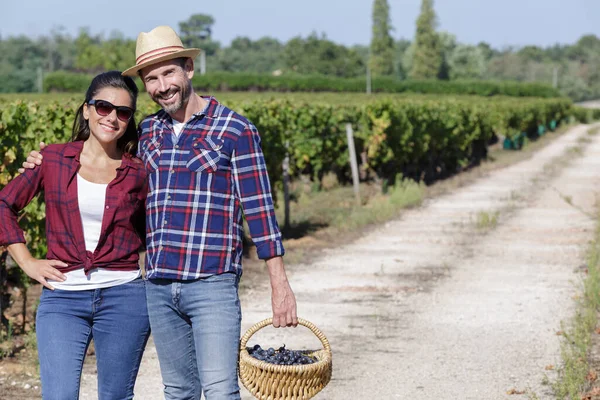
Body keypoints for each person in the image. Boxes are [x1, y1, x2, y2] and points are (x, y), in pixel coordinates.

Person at [23, 26, 298, 400]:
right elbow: (101, 156)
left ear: (189, 68)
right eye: (151, 78)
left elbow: (260, 210)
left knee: (219, 390)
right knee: (178, 391)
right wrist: (44, 160)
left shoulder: (235, 130)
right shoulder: (148, 130)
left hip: (211, 283)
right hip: (157, 285)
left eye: (168, 72)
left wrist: (279, 284)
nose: (161, 85)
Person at [4, 71, 150, 400]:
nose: (112, 117)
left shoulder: (138, 171)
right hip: (63, 297)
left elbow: (149, 228)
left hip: (124, 297)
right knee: (59, 395)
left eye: (123, 112)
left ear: (129, 120)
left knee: (115, 396)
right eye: (103, 107)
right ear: (86, 109)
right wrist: (27, 262)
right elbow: (4, 204)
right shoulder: (52, 159)